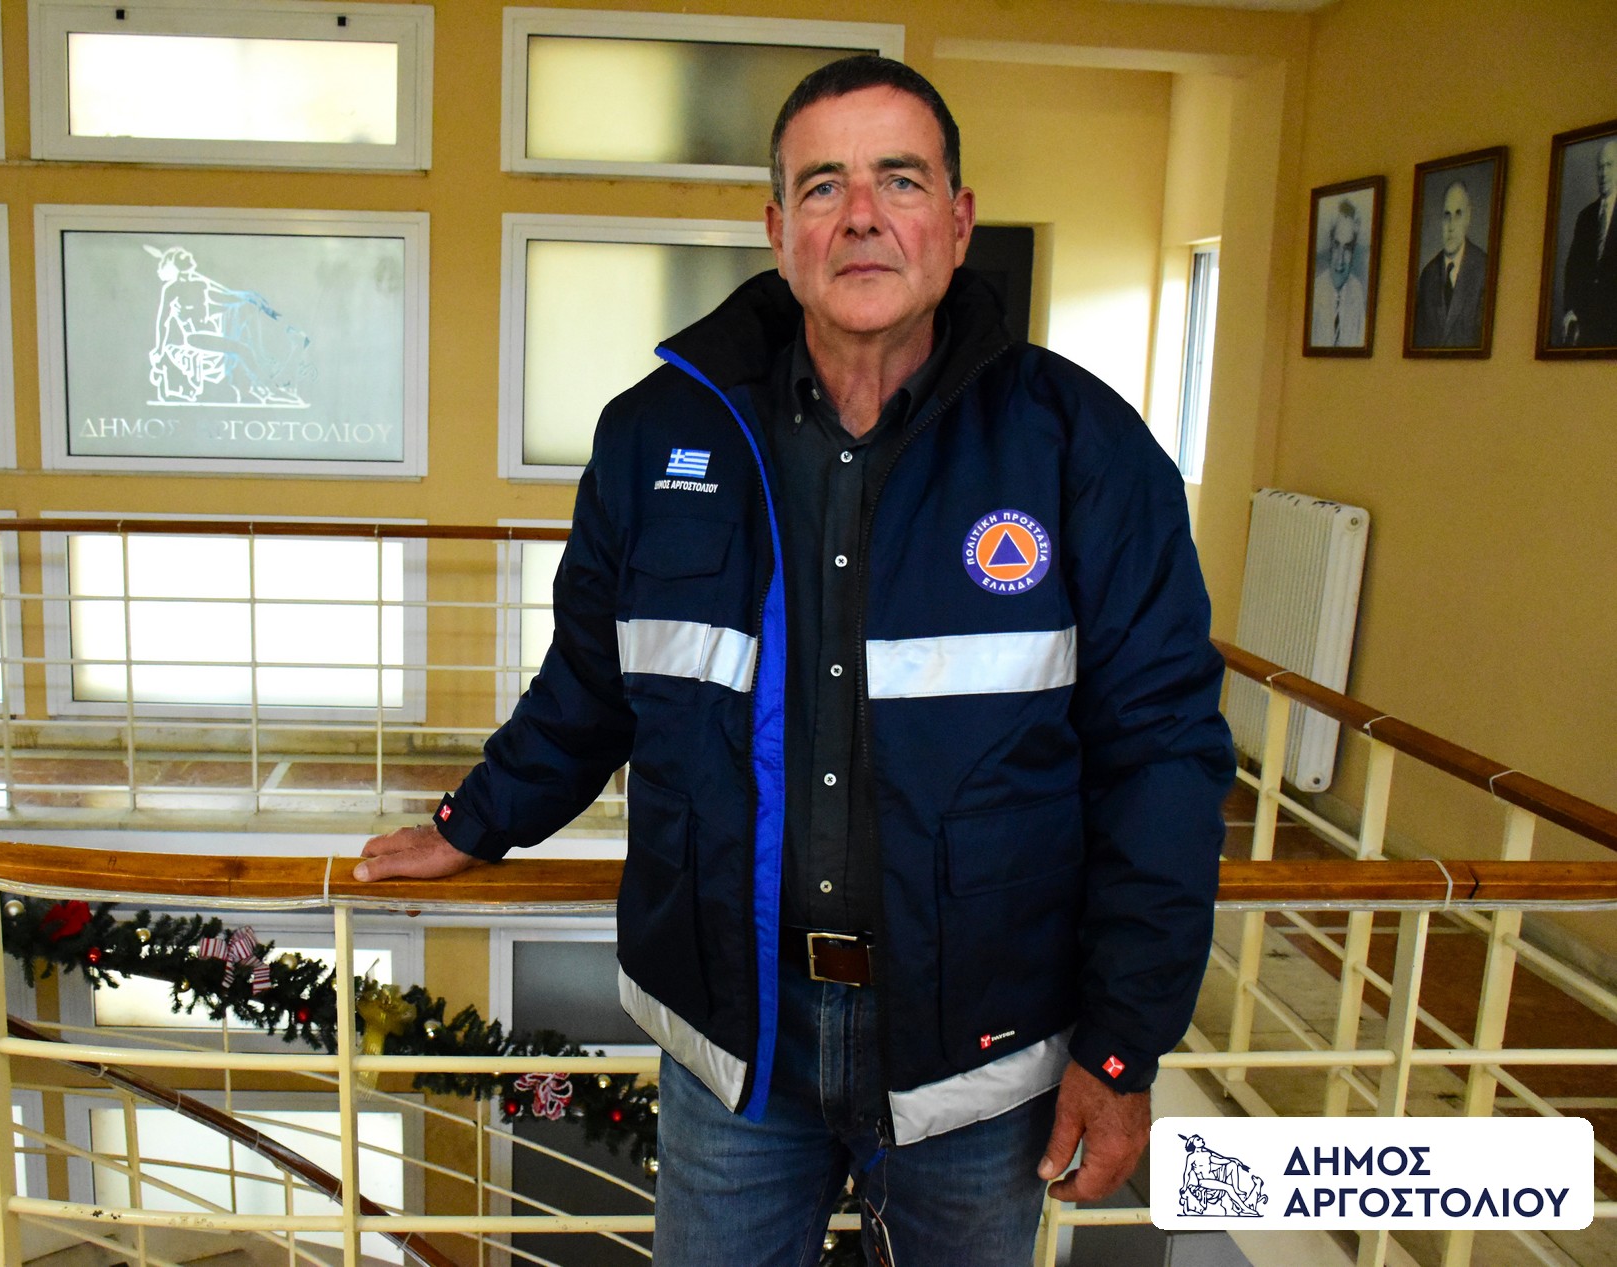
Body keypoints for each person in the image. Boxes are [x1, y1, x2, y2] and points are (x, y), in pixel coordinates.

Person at [357, 56, 1233, 1265]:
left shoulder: (1083, 448)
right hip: (736, 1041)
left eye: (899, 180)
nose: (861, 214)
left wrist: (1122, 1045)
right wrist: (474, 821)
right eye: (823, 186)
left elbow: (1162, 755)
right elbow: (591, 683)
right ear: (778, 230)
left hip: (981, 1056)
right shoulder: (653, 436)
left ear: (958, 220)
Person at [1413, 179, 1489, 348]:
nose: (1451, 226)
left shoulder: (1484, 269)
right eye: (1446, 215)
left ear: (1468, 217)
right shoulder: (1427, 275)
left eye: (1458, 214)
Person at [1559, 139, 1617, 347]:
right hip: (1586, 324)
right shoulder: (1586, 216)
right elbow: (1573, 268)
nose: (1603, 173)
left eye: (1609, 165)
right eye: (1600, 167)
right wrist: (1571, 309)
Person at [1310, 199, 1367, 348]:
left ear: (1353, 252)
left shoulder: (1357, 291)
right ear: (1330, 246)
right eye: (1336, 246)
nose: (1340, 259)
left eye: (1347, 248)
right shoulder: (1315, 291)